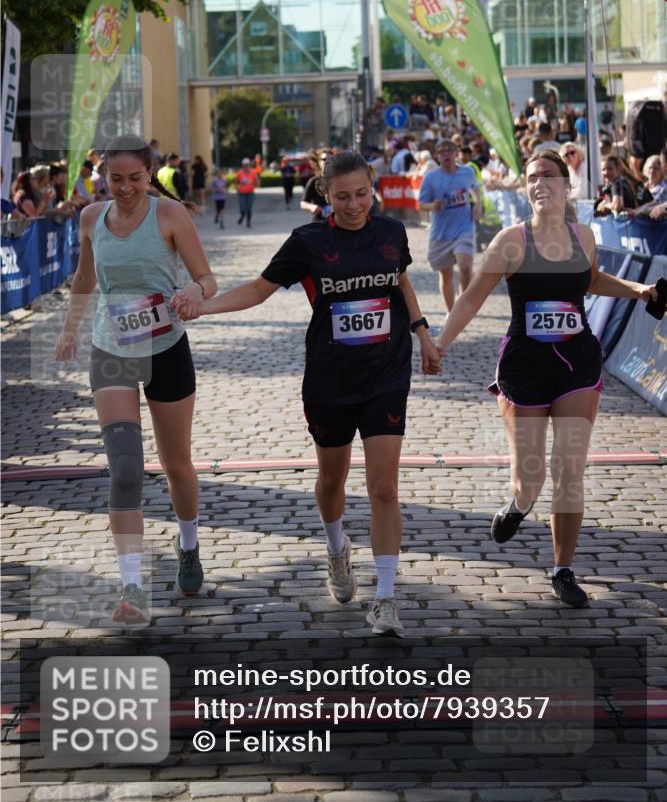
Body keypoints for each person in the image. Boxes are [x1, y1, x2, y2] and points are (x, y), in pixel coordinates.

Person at [175, 151, 441, 637]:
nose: (355, 204)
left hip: (387, 373)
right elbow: (258, 290)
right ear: (325, 193)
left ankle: (385, 598)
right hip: (330, 380)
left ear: (373, 188)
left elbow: (399, 279)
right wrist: (204, 308)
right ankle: (337, 548)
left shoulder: (391, 233)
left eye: (362, 194)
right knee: (331, 482)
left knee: (384, 487)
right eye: (342, 196)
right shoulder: (308, 242)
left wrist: (422, 331)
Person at [435, 150, 658, 607]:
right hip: (524, 365)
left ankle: (562, 569)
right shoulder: (510, 242)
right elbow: (473, 297)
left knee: (570, 469)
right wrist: (439, 343)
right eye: (532, 178)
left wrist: (639, 289)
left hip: (577, 360)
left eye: (549, 177)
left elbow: (591, 280)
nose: (540, 184)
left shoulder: (585, 235)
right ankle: (519, 504)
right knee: (531, 477)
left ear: (565, 185)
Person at [55, 135, 217, 625]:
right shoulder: (90, 218)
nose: (124, 189)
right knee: (125, 468)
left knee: (178, 466)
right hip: (113, 350)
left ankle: (187, 544)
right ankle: (133, 585)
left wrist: (192, 288)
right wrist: (71, 328)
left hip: (167, 347)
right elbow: (85, 278)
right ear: (103, 176)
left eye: (134, 179)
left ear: (150, 175)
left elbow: (207, 278)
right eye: (115, 179)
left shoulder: (170, 216)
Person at [418, 139, 481, 314]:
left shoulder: (467, 172)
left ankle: (463, 302)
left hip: (464, 228)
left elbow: (475, 189)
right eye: (442, 151)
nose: (446, 154)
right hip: (441, 232)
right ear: (437, 156)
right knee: (446, 276)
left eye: (449, 150)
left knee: (466, 265)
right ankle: (450, 312)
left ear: (456, 153)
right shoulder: (431, 177)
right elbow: (421, 204)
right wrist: (432, 206)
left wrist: (478, 204)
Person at [300, 149, 331, 220]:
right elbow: (303, 203)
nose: (327, 161)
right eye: (324, 159)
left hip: (339, 223)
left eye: (331, 159)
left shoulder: (341, 181)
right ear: (319, 162)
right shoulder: (313, 181)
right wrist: (312, 207)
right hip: (320, 222)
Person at [235, 157, 259, 227]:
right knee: (242, 207)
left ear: (249, 165)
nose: (246, 166)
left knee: (248, 208)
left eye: (247, 165)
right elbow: (236, 182)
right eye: (244, 165)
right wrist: (237, 189)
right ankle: (242, 215)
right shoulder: (240, 173)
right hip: (241, 193)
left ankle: (248, 222)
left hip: (250, 193)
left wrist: (253, 186)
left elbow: (257, 182)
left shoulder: (253, 173)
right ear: (242, 165)